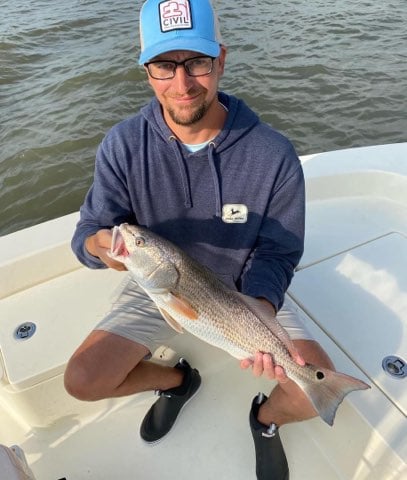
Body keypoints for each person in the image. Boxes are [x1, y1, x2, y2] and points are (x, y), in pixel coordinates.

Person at [65, 0, 334, 478]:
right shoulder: (123, 145)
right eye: (165, 65)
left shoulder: (273, 154)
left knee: (318, 389)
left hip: (243, 291)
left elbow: (279, 250)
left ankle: (265, 419)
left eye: (197, 63)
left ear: (221, 60)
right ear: (147, 70)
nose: (182, 83)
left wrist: (257, 314)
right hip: (156, 283)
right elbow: (90, 231)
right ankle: (177, 381)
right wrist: (101, 246)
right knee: (83, 381)